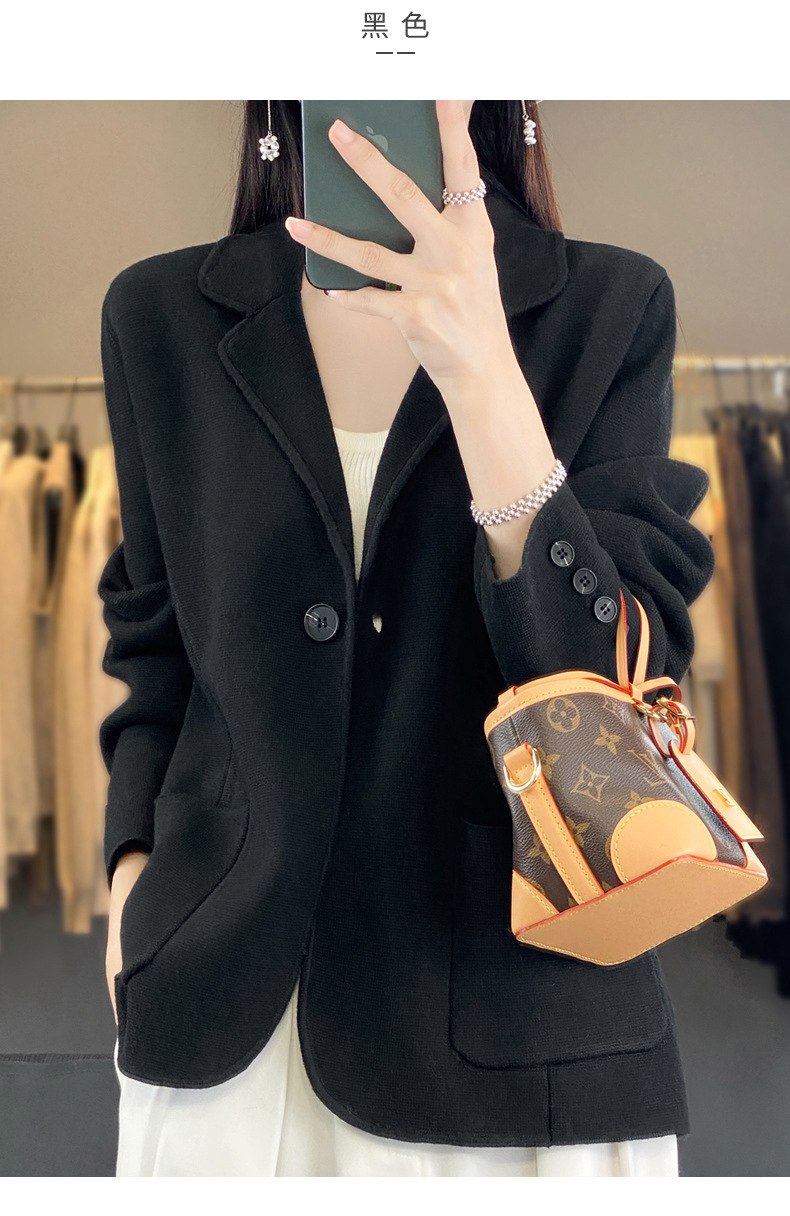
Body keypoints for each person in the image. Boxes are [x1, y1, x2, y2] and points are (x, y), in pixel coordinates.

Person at [100, 100, 715, 1176]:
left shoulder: (609, 307)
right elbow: (156, 649)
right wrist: (129, 879)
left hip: (519, 1036)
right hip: (224, 1035)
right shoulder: (160, 316)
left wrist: (483, 374)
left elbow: (616, 695)